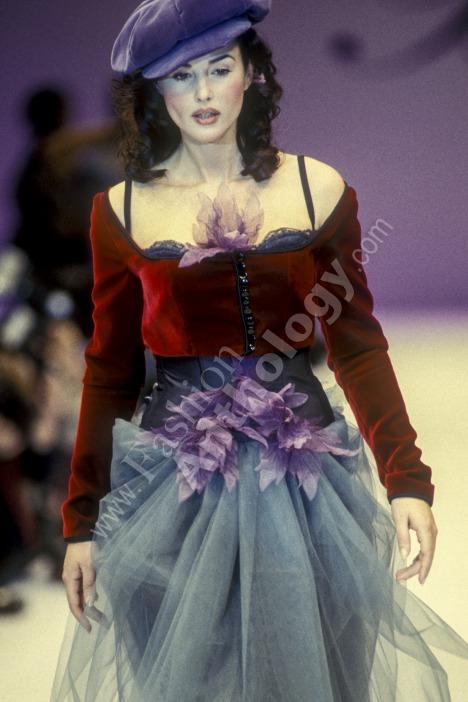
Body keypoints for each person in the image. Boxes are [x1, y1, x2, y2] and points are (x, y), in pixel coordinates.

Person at [50, 1, 468, 700]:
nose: (204, 92)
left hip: (305, 485)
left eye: (220, 68)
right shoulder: (121, 211)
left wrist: (406, 481)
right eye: (182, 75)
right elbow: (110, 370)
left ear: (253, 73)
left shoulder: (316, 189)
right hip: (169, 487)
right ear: (154, 91)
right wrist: (82, 521)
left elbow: (357, 346)